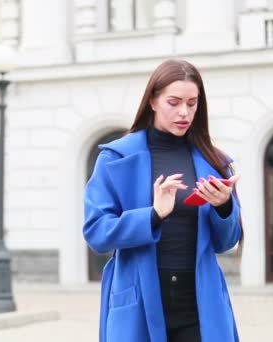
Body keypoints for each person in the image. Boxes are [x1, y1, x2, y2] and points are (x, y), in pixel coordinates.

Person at [83, 59, 243, 342]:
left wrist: (223, 206)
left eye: (192, 103)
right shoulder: (115, 158)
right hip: (138, 305)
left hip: (201, 305)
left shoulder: (214, 162)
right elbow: (96, 232)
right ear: (153, 101)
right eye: (174, 102)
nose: (184, 112)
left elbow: (225, 242)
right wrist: (153, 215)